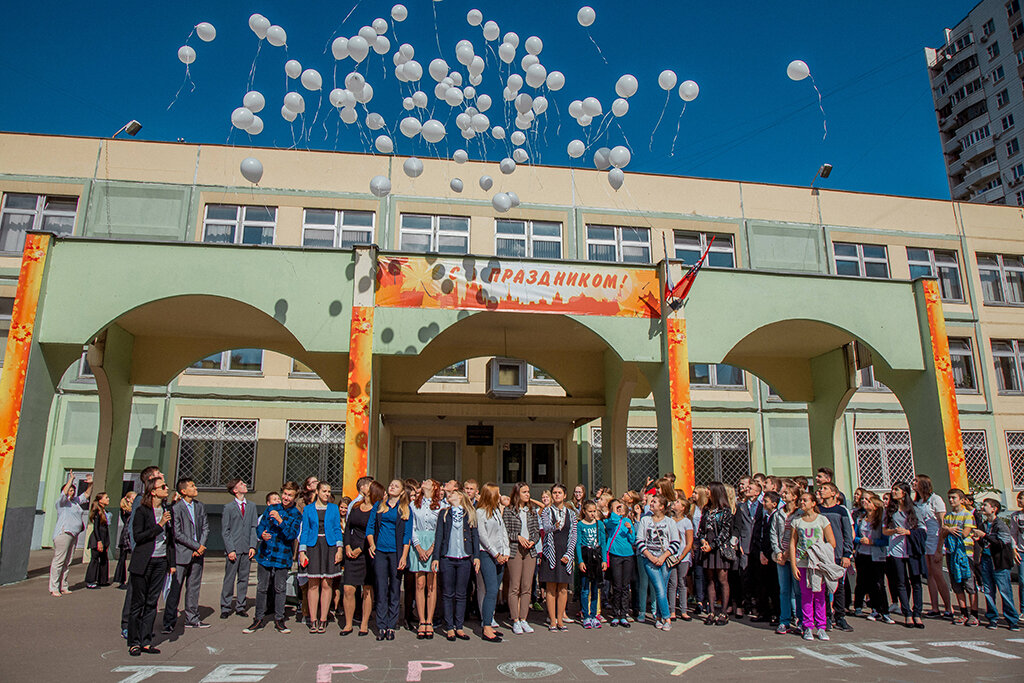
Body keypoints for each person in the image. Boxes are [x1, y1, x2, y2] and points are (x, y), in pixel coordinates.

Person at [244, 482, 302, 634]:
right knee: (262, 587)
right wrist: (261, 534)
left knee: (280, 588)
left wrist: (280, 521)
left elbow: (291, 535)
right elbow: (260, 526)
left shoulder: (296, 514)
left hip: (282, 555)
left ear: (295, 497)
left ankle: (279, 619)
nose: (286, 497)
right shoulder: (271, 508)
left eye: (290, 495)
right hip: (266, 553)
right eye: (285, 494)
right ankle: (258, 618)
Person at [127, 476, 174, 656]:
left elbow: (171, 539)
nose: (166, 488)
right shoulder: (142, 511)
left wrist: (171, 562)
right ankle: (134, 642)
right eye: (163, 486)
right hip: (144, 561)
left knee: (152, 602)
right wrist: (160, 524)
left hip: (160, 561)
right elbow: (138, 536)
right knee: (138, 603)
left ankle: (146, 641)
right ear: (153, 492)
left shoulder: (167, 510)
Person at [790, 491, 840, 642]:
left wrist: (818, 551)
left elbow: (832, 542)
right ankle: (807, 627)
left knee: (819, 595)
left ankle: (822, 627)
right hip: (803, 563)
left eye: (805, 500)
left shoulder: (822, 520)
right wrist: (794, 565)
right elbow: (792, 543)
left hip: (818, 564)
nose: (802, 502)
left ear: (813, 503)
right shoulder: (797, 521)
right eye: (800, 500)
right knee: (806, 595)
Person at [120, 466, 163, 639]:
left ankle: (144, 628)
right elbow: (134, 530)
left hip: (156, 556)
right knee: (135, 594)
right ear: (150, 480)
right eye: (158, 474)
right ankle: (127, 625)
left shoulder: (160, 503)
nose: (162, 475)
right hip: (143, 556)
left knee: (150, 595)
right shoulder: (140, 501)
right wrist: (139, 553)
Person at [366, 479, 412, 641]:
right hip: (380, 551)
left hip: (396, 553)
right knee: (381, 588)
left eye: (396, 486)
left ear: (401, 491)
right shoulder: (379, 506)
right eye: (391, 485)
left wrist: (404, 556)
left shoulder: (405, 509)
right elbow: (370, 526)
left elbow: (407, 535)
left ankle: (391, 625)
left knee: (394, 589)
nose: (392, 487)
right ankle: (381, 625)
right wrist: (372, 544)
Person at [433, 488, 480, 641]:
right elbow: (439, 536)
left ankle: (459, 626)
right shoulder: (444, 513)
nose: (449, 495)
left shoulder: (469, 513)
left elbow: (475, 535)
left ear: (460, 497)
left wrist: (476, 556)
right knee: (447, 593)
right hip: (447, 557)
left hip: (464, 558)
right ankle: (449, 627)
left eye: (453, 493)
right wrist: (436, 557)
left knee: (461, 594)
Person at [163, 478, 210, 633]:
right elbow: (177, 533)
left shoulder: (200, 506)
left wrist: (201, 546)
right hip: (182, 554)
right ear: (183, 491)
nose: (195, 488)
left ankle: (192, 618)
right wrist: (196, 546)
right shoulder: (176, 508)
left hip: (198, 554)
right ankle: (169, 621)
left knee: (194, 588)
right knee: (175, 588)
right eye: (191, 486)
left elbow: (205, 527)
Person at [299, 482, 344, 634]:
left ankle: (323, 618)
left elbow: (337, 529)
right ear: (317, 492)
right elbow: (305, 530)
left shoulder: (334, 508)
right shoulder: (308, 509)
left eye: (329, 491)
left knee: (327, 583)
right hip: (313, 546)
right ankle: (313, 619)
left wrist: (339, 549)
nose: (327, 494)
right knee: (313, 584)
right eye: (324, 491)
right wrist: (302, 551)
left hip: (329, 546)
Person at [883, 481, 928, 628]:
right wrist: (894, 531)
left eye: (896, 490)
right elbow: (885, 530)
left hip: (912, 549)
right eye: (893, 489)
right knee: (901, 582)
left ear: (904, 493)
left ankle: (917, 613)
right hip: (896, 549)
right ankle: (907, 613)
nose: (893, 492)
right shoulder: (890, 510)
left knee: (916, 581)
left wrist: (908, 532)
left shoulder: (914, 509)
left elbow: (923, 528)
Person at [972, 498, 1021, 631]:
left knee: (1005, 591)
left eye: (985, 505)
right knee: (988, 590)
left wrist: (984, 536)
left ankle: (1012, 620)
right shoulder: (983, 524)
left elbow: (1002, 543)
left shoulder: (1000, 525)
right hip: (986, 560)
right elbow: (984, 543)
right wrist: (979, 539)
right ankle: (992, 618)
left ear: (994, 509)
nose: (983, 507)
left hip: (999, 562)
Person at [340, 480, 381, 637]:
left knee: (367, 589)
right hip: (351, 552)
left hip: (366, 552)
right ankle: (348, 624)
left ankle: (364, 624)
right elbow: (348, 527)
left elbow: (374, 532)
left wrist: (360, 549)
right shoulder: (356, 506)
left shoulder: (376, 509)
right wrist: (347, 546)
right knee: (348, 589)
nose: (365, 487)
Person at [637, 494, 681, 631]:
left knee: (662, 588)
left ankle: (658, 617)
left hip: (665, 560)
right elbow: (639, 541)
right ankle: (667, 617)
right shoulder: (645, 520)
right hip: (649, 560)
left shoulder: (670, 522)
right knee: (659, 588)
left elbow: (675, 543)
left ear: (662, 507)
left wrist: (663, 557)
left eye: (654, 502)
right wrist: (650, 556)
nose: (651, 503)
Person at [503, 481, 541, 635]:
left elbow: (537, 531)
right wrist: (517, 537)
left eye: (528, 492)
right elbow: (505, 530)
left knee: (527, 586)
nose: (528, 494)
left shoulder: (531, 511)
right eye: (524, 492)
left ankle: (524, 618)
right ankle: (515, 619)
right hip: (515, 549)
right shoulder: (509, 511)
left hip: (530, 551)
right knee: (515, 586)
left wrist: (533, 540)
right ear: (517, 493)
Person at [539, 484, 577, 632]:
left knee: (563, 588)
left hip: (565, 552)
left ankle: (561, 619)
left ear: (564, 495)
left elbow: (573, 534)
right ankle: (552, 620)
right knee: (551, 588)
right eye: (554, 493)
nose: (556, 495)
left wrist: (569, 554)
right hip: (551, 551)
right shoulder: (547, 511)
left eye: (559, 492)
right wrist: (554, 526)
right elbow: (546, 528)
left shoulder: (571, 513)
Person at [817, 482, 854, 632]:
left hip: (837, 554)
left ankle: (840, 617)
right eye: (821, 488)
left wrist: (847, 554)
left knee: (839, 587)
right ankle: (826, 616)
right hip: (822, 554)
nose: (821, 490)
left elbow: (847, 533)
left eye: (825, 488)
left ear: (834, 493)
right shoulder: (817, 510)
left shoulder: (841, 510)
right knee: (823, 587)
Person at [914, 474, 951, 619]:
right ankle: (935, 608)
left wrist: (939, 549)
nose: (913, 483)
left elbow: (942, 525)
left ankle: (948, 608)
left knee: (937, 573)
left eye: (916, 481)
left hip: (936, 539)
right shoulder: (918, 502)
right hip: (925, 540)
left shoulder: (936, 500)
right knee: (929, 574)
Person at [699, 481, 736, 625]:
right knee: (710, 580)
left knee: (722, 580)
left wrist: (712, 545)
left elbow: (725, 533)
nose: (706, 491)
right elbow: (701, 529)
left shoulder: (725, 511)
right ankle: (711, 611)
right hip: (707, 547)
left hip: (719, 549)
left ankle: (724, 612)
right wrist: (703, 541)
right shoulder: (706, 509)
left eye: (709, 489)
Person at [50, 472, 92, 597]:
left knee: (67, 561)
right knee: (59, 561)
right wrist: (71, 479)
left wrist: (90, 484)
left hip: (74, 535)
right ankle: (54, 587)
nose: (72, 492)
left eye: (73, 490)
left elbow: (87, 494)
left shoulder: (75, 502)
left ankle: (63, 585)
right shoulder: (62, 503)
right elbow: (64, 493)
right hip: (64, 533)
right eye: (70, 490)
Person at [220, 478, 258, 619]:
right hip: (234, 549)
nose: (245, 485)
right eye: (241, 484)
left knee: (244, 578)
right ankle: (225, 606)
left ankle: (240, 606)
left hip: (246, 548)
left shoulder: (251, 506)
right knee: (229, 578)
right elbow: (226, 531)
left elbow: (254, 527)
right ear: (235, 490)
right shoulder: (228, 508)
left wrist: (253, 545)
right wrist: (230, 549)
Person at [769, 482, 803, 634]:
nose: (783, 495)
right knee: (784, 590)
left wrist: (789, 553)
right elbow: (773, 533)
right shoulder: (778, 514)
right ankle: (784, 621)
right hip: (781, 556)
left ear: (794, 497)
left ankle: (801, 620)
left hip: (796, 557)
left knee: (798, 590)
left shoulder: (800, 514)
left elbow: (800, 536)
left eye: (787, 493)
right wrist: (778, 552)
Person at [411, 478, 443, 640]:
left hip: (433, 542)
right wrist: (418, 547)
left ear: (434, 487)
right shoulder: (414, 504)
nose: (424, 481)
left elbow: (440, 529)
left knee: (431, 584)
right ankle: (421, 620)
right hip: (418, 543)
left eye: (428, 481)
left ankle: (429, 620)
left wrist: (432, 549)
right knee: (419, 583)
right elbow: (412, 526)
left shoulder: (440, 506)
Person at [477, 483, 510, 642]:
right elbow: (483, 536)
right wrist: (495, 553)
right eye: (497, 494)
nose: (500, 496)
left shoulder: (496, 511)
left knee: (495, 590)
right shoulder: (480, 512)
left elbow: (503, 532)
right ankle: (486, 626)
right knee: (490, 589)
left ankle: (490, 621)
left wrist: (505, 552)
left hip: (500, 554)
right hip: (487, 554)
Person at [942, 488, 978, 626]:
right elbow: (943, 534)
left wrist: (949, 529)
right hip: (951, 553)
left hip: (965, 554)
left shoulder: (967, 515)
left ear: (962, 500)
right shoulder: (948, 516)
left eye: (954, 498)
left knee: (969, 584)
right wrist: (947, 530)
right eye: (949, 498)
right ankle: (963, 613)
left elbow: (965, 533)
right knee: (956, 583)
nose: (951, 500)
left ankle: (974, 613)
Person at [853, 494, 892, 624]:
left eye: (868, 501)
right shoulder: (861, 519)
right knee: (867, 582)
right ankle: (874, 609)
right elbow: (855, 536)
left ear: (875, 506)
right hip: (862, 554)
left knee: (879, 583)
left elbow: (885, 540)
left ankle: (884, 611)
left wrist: (872, 542)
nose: (865, 502)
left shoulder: (881, 521)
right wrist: (860, 540)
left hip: (877, 556)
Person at [603, 499, 636, 627]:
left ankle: (624, 613)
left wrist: (630, 530)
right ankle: (616, 613)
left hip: (627, 555)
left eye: (620, 507)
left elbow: (632, 539)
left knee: (625, 586)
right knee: (616, 585)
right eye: (616, 507)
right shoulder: (609, 521)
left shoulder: (627, 521)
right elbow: (612, 522)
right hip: (615, 555)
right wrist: (615, 513)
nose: (619, 509)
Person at [575, 499, 606, 629]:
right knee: (585, 588)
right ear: (584, 511)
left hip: (596, 558)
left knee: (595, 588)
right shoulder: (580, 525)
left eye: (594, 511)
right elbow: (578, 544)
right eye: (590, 511)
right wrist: (580, 561)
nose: (592, 514)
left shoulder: (599, 524)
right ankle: (586, 615)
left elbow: (603, 543)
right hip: (586, 556)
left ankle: (594, 615)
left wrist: (604, 560)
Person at [666, 496, 694, 622]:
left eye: (677, 502)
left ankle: (684, 610)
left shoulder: (687, 522)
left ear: (683, 508)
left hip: (683, 557)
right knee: (672, 583)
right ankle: (672, 610)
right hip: (671, 555)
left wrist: (682, 556)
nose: (674, 503)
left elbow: (689, 542)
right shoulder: (669, 520)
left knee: (682, 582)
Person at [85, 492, 111, 589]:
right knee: (95, 560)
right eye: (106, 497)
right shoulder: (97, 512)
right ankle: (90, 580)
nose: (108, 499)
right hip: (97, 539)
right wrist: (99, 541)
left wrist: (106, 542)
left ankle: (103, 580)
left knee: (104, 559)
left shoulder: (105, 512)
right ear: (100, 500)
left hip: (104, 538)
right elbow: (96, 528)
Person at [113, 491, 136, 589]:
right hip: (126, 536)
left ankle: (131, 580)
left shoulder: (134, 509)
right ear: (129, 499)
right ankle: (121, 579)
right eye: (133, 498)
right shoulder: (125, 510)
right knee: (122, 558)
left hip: (132, 535)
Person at [1010, 491, 1024, 621]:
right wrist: (1014, 550)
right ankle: (1023, 610)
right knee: (1023, 581)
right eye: (1018, 498)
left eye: (1021, 498)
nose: (1019, 501)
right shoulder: (1016, 516)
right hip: (1021, 552)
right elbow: (1013, 534)